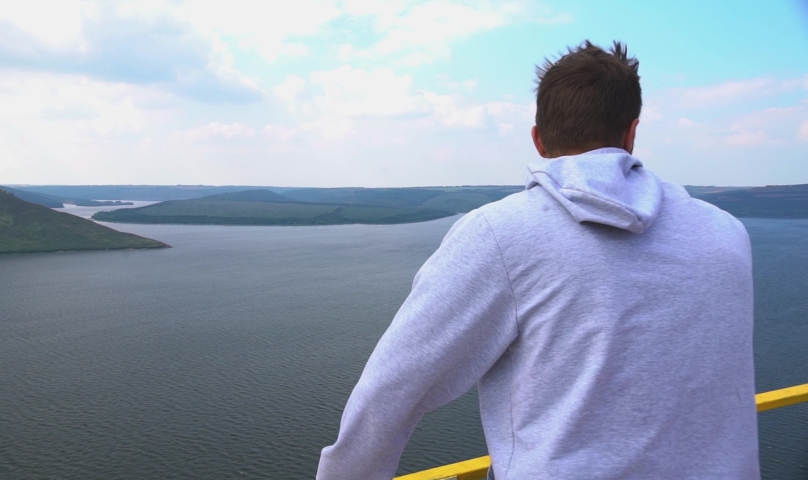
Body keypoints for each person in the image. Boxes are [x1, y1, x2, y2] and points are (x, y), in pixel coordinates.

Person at [316, 40, 759, 480]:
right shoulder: (727, 233)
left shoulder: (500, 234)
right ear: (631, 133)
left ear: (538, 140)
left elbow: (392, 391)